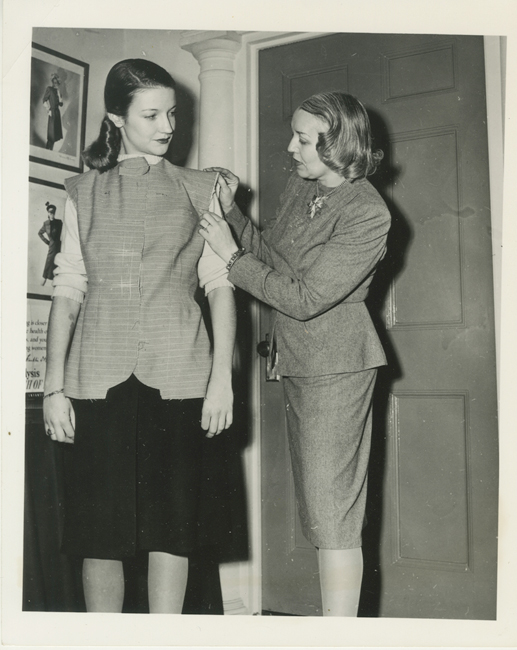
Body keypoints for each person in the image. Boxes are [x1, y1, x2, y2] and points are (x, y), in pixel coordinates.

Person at [42, 59, 236, 614]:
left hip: (180, 374)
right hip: (95, 378)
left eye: (172, 113)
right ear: (115, 118)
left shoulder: (202, 188)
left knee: (172, 531)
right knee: (98, 534)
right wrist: (54, 386)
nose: (167, 126)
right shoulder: (82, 191)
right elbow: (69, 288)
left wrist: (221, 378)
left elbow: (219, 283)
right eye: (151, 114)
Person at [199, 91, 391, 617]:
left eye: (304, 140)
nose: (291, 147)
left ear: (338, 144)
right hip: (303, 362)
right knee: (323, 511)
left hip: (337, 365)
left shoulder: (368, 212)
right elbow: (275, 260)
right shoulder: (303, 186)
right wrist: (229, 213)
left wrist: (230, 257)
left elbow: (303, 298)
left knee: (333, 518)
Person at [38, 201, 63, 285]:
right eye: (50, 212)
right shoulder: (46, 224)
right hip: (52, 245)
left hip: (59, 245)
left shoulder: (59, 222)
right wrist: (47, 242)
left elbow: (64, 232)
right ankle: (44, 277)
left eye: (53, 212)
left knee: (58, 261)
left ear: (54, 212)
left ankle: (55, 280)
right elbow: (40, 233)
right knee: (49, 260)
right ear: (48, 213)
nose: (51, 213)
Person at [42, 72, 63, 150]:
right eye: (54, 81)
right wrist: (48, 109)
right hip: (52, 113)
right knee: (51, 136)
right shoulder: (49, 89)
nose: (55, 83)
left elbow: (61, 104)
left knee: (55, 136)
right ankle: (47, 151)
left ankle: (50, 150)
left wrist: (59, 94)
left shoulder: (58, 92)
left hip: (57, 113)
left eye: (57, 82)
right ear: (52, 81)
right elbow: (44, 100)